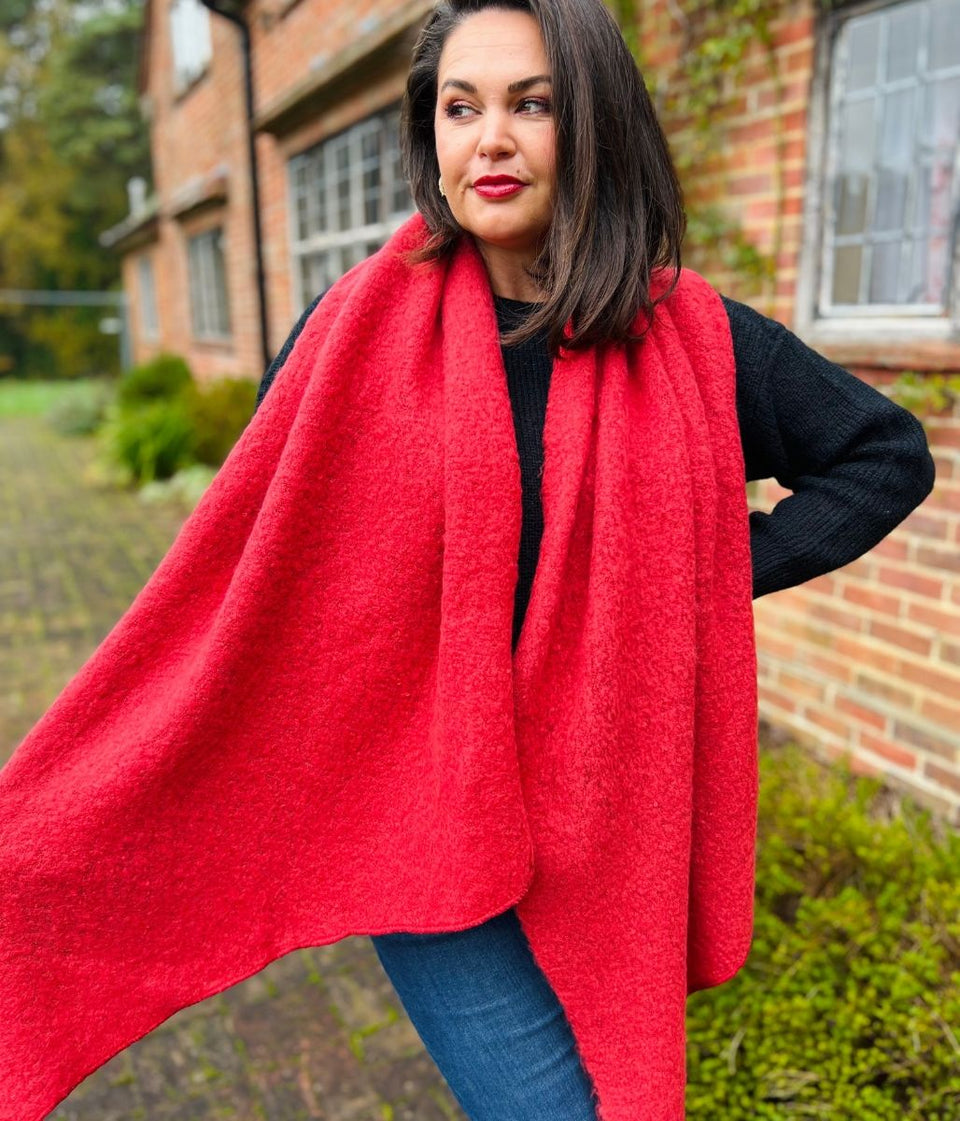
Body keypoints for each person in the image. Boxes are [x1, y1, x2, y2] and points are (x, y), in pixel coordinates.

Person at [0, 1, 935, 1120]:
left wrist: (697, 571)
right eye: (460, 106)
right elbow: (268, 557)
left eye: (531, 103)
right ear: (429, 131)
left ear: (592, 124)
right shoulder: (348, 330)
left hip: (601, 808)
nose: (489, 138)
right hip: (420, 807)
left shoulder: (694, 334)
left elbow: (882, 455)